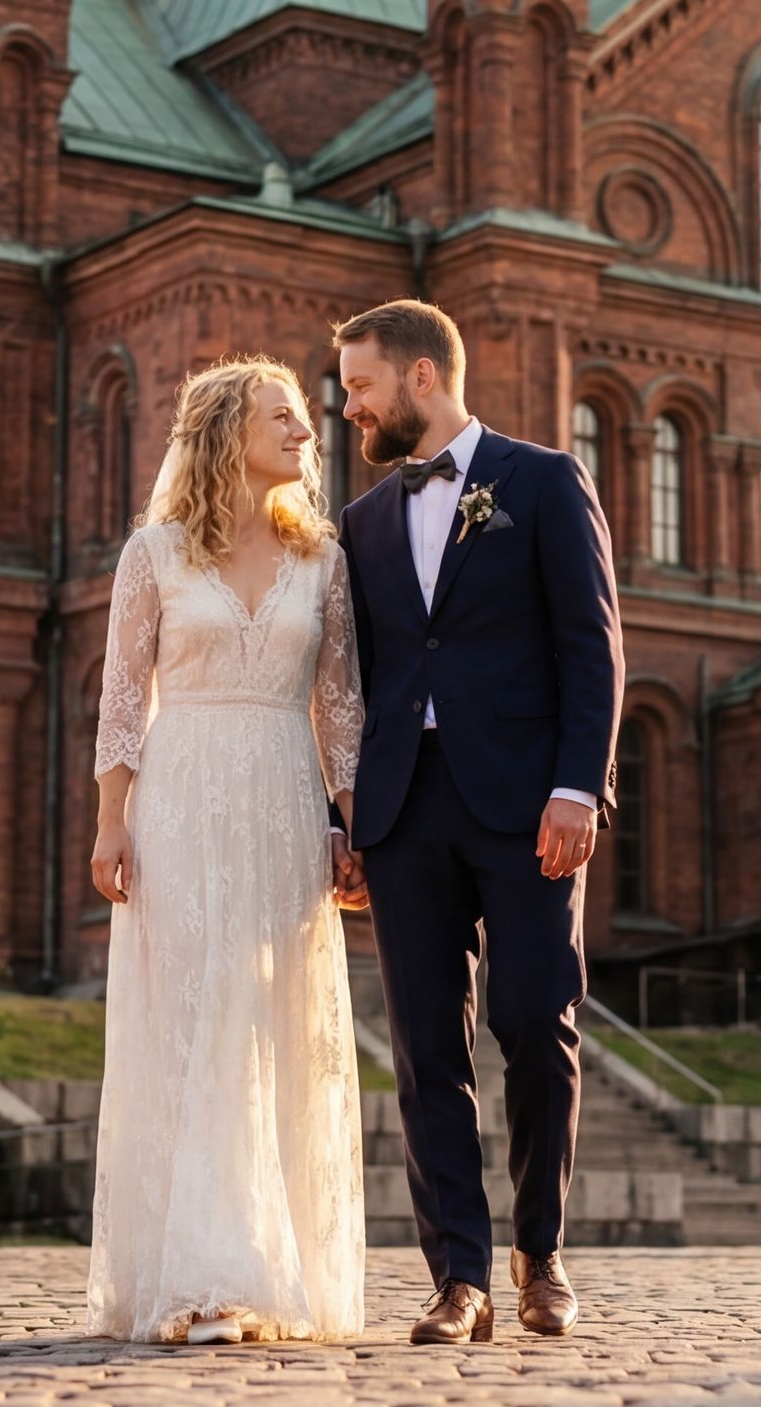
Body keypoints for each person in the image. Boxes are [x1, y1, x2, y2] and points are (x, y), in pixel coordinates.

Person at [330, 300, 621, 1343]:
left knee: (537, 1024)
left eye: (361, 385)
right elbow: (351, 680)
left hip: (529, 803)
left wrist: (578, 788)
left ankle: (539, 1254)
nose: (349, 406)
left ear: (419, 378)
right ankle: (458, 1276)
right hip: (405, 807)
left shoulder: (543, 481)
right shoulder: (358, 524)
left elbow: (591, 645)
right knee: (423, 1046)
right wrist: (345, 813)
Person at [85, 357, 367, 1344]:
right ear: (224, 433)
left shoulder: (324, 560)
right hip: (181, 800)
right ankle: (199, 1278)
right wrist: (111, 820)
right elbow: (123, 698)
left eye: (305, 419)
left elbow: (339, 704)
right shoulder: (153, 554)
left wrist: (351, 821)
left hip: (285, 797)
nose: (305, 432)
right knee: (195, 1017)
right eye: (283, 416)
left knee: (270, 1018)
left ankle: (269, 1268)